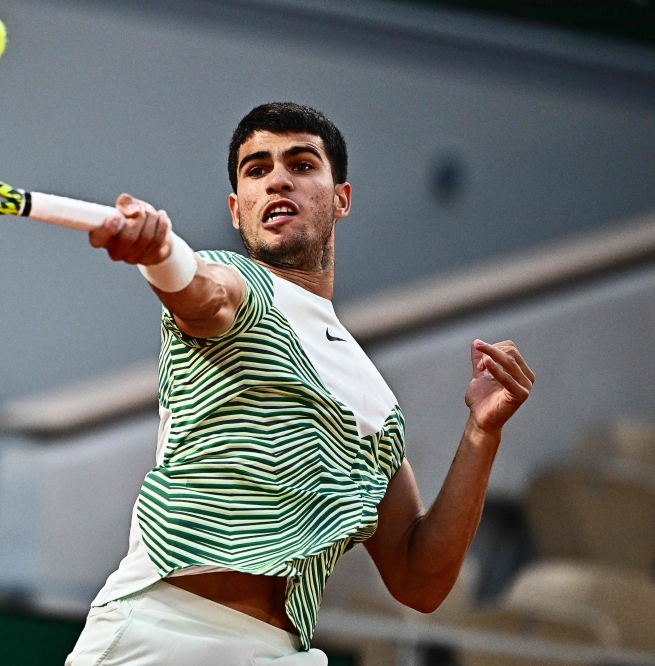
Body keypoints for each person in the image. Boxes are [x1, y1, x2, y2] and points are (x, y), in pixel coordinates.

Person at [66, 103, 535, 665]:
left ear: (341, 199)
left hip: (281, 651)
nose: (278, 179)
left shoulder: (374, 395)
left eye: (302, 164)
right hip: (162, 633)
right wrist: (160, 254)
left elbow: (419, 580)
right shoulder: (237, 281)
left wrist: (482, 433)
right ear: (239, 211)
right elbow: (201, 292)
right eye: (257, 169)